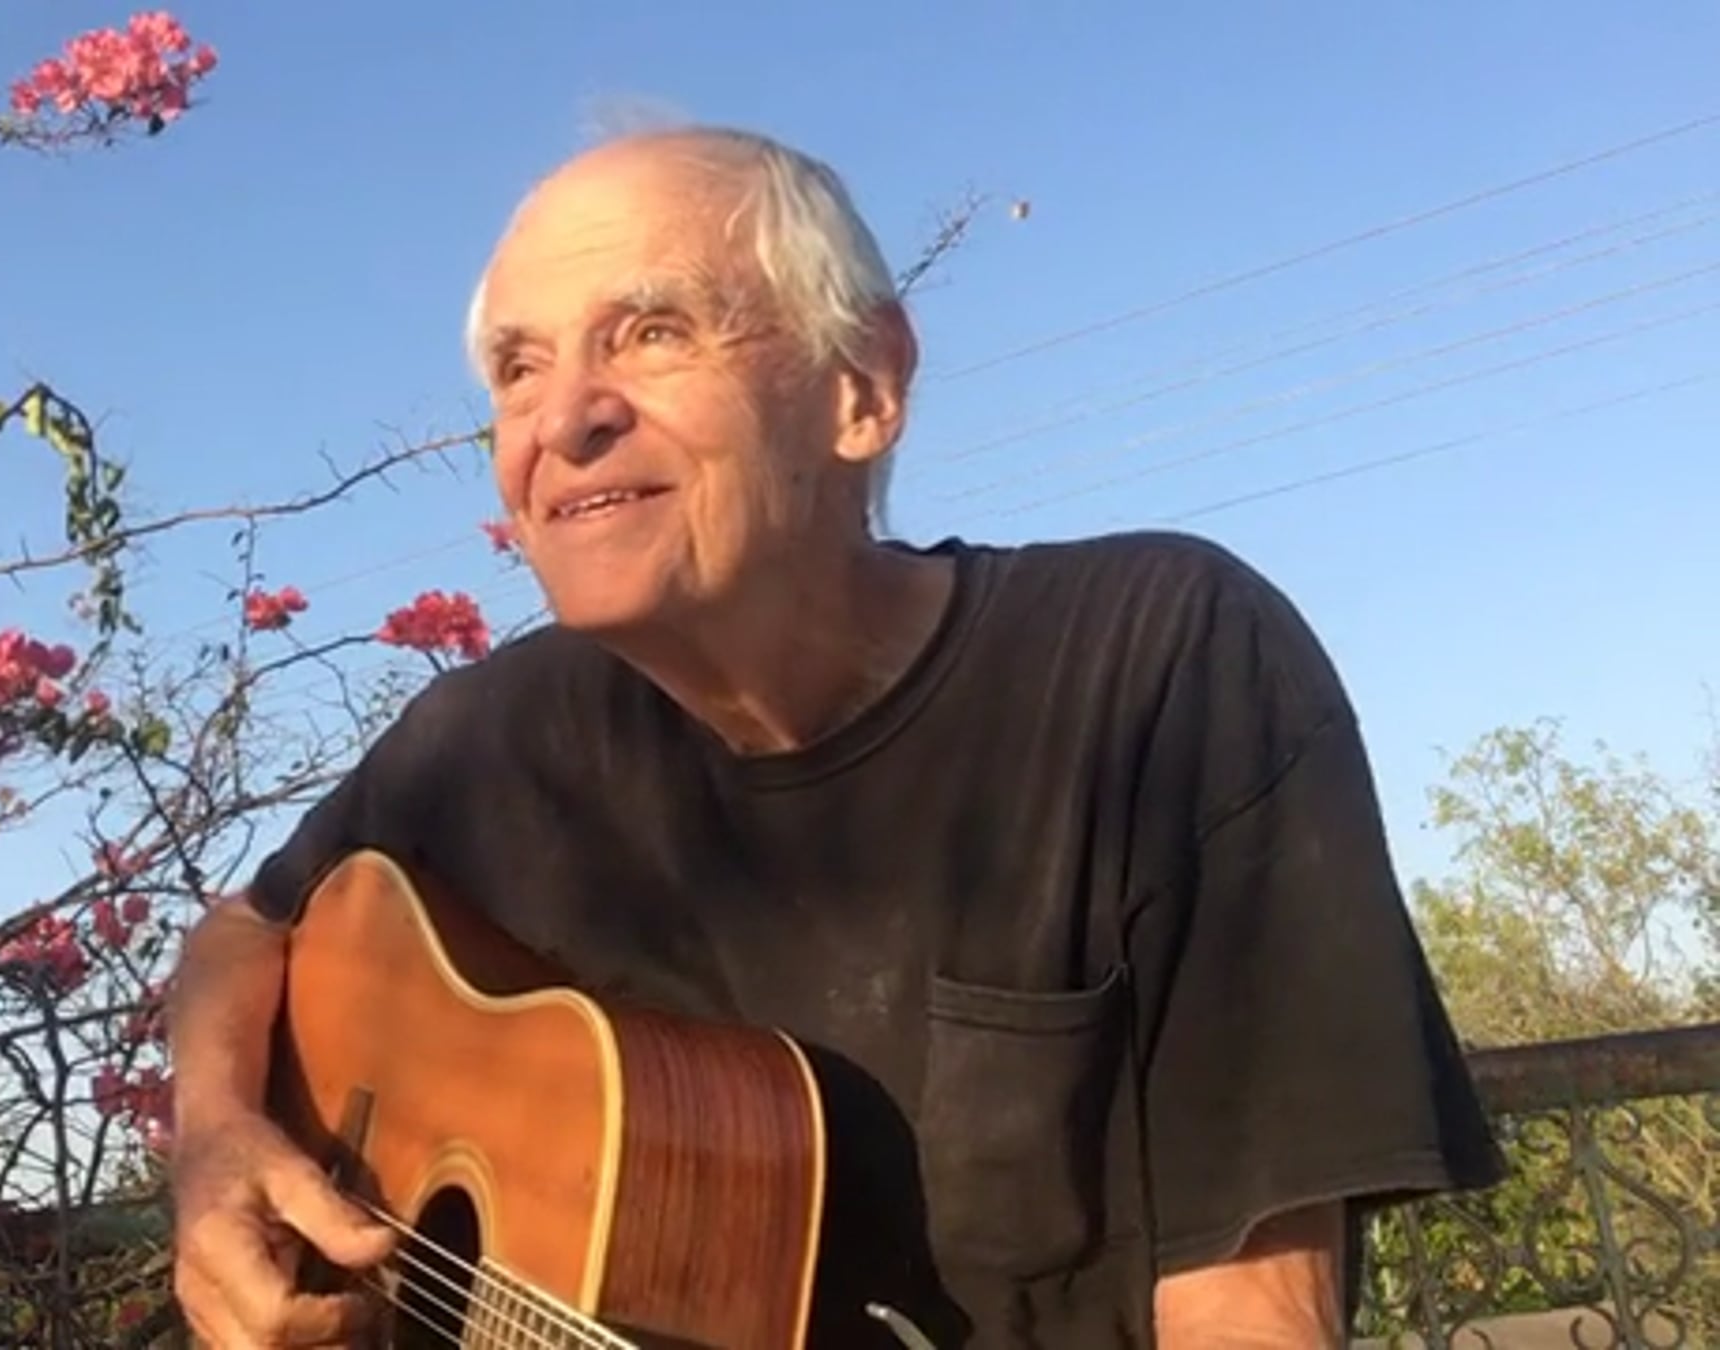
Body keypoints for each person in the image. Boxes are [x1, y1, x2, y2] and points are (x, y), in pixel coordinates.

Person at [162, 125, 1504, 1348]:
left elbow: (1253, 1315)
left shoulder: (1155, 661)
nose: (563, 418)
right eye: (519, 368)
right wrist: (216, 1136)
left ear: (863, 386)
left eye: (651, 332)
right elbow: (247, 932)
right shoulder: (488, 741)